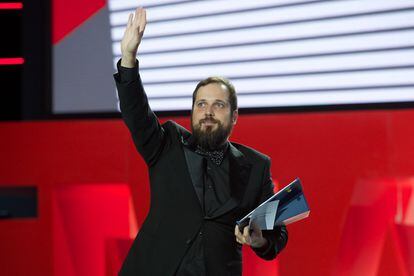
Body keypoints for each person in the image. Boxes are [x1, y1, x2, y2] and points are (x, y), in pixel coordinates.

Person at [114, 7, 288, 276]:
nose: (207, 111)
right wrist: (128, 58)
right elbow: (136, 112)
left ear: (234, 116)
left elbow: (277, 234)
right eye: (201, 104)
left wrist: (259, 240)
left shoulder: (256, 166)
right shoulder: (166, 144)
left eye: (218, 105)